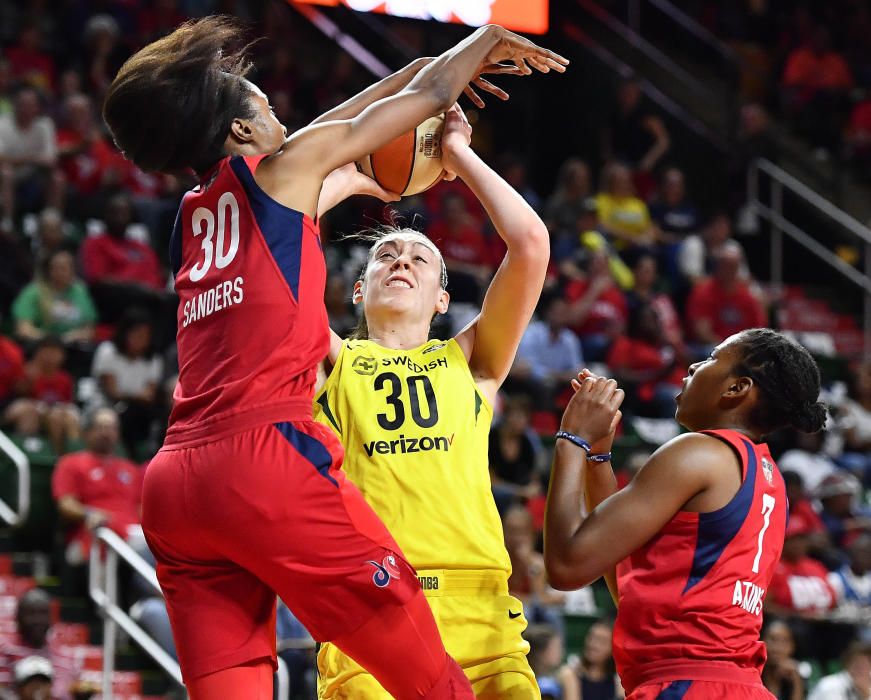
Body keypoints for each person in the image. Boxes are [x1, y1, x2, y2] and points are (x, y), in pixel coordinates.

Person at [102, 15, 567, 700]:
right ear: (238, 131)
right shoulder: (286, 170)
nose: (285, 121)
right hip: (262, 459)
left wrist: (361, 170)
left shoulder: (194, 216)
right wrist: (482, 41)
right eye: (266, 106)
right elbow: (415, 96)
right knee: (432, 679)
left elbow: (348, 122)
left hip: (175, 484)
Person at [313, 103, 550, 697]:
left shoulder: (469, 362)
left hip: (484, 620)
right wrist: (355, 176)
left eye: (420, 258)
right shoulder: (329, 360)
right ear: (358, 289)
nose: (401, 261)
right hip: (373, 610)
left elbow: (529, 244)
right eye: (385, 256)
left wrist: (459, 156)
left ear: (442, 299)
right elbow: (268, 249)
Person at [544, 327, 827, 699]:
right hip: (735, 686)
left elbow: (566, 565)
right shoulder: (769, 481)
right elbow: (626, 580)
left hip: (686, 685)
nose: (694, 365)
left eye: (711, 359)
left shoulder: (699, 452)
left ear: (736, 388)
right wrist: (597, 459)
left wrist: (572, 439)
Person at [0, 589, 80, 699]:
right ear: (17, 618)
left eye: (43, 613)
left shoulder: (64, 657)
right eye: (31, 613)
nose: (37, 620)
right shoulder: (4, 649)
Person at [572, 620, 623, 700]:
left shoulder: (618, 681)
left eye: (601, 641)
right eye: (591, 637)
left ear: (613, 648)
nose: (592, 644)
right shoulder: (571, 674)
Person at [524, 625, 579, 700]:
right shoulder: (525, 677)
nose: (561, 652)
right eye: (556, 648)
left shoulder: (563, 675)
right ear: (541, 653)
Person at [761, 620, 804, 700]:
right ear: (761, 641)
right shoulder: (752, 674)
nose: (778, 648)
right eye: (773, 640)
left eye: (784, 641)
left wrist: (797, 683)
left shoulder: (795, 678)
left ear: (793, 646)